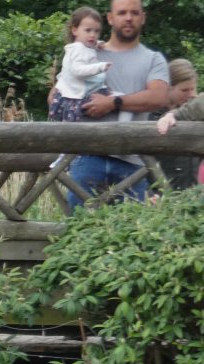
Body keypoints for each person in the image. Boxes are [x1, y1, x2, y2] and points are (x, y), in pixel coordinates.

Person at [66, 0, 170, 209]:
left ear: (143, 17)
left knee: (133, 232)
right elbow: (57, 93)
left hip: (132, 161)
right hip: (88, 155)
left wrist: (114, 102)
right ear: (110, 18)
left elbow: (158, 97)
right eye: (122, 13)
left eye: (134, 13)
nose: (129, 18)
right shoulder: (90, 51)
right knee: (78, 228)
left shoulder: (153, 59)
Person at [50, 7, 112, 122]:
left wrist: (98, 44)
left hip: (77, 92)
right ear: (75, 30)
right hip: (74, 96)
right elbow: (77, 71)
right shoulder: (77, 49)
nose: (92, 35)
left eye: (96, 31)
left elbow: (90, 47)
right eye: (88, 30)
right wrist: (100, 67)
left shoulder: (83, 45)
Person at [154, 59, 200, 189]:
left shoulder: (193, 113)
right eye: (185, 90)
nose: (191, 94)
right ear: (168, 88)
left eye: (193, 89)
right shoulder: (150, 114)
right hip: (160, 193)